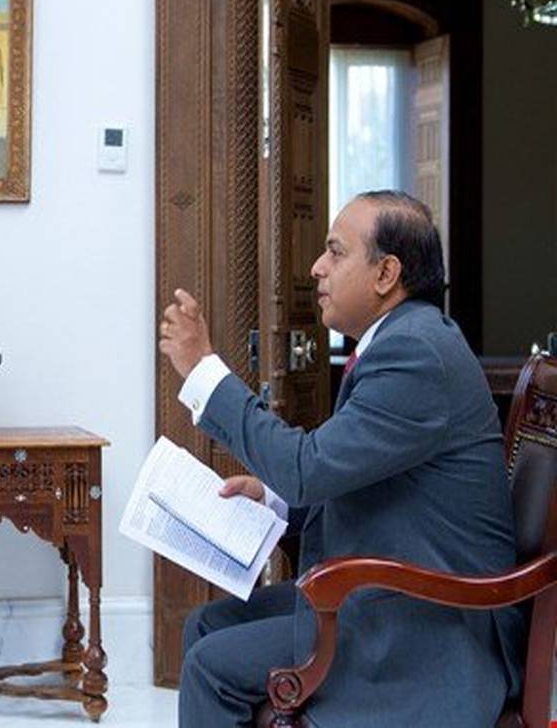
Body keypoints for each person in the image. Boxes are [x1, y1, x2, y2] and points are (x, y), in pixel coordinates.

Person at [160, 190, 522, 727]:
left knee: (209, 668)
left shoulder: (416, 354)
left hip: (431, 633)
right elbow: (356, 476)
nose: (316, 267)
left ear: (386, 274)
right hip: (386, 599)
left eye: (335, 252)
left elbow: (306, 469)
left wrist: (204, 372)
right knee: (208, 625)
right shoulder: (403, 340)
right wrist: (273, 500)